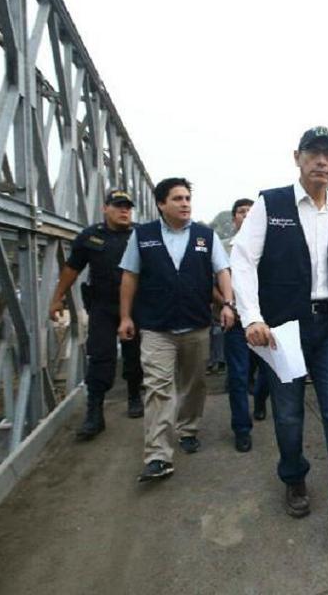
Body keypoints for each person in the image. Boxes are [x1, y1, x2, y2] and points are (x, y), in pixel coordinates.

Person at [231, 126, 328, 550]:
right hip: (284, 329)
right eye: (314, 153)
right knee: (289, 414)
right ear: (297, 157)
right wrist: (252, 316)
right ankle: (294, 476)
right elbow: (242, 259)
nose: (321, 161)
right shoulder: (272, 203)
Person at [118, 177, 235, 482]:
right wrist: (125, 317)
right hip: (157, 328)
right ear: (161, 204)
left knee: (193, 384)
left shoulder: (205, 236)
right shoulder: (142, 236)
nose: (185, 204)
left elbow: (222, 271)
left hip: (196, 326)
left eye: (187, 198)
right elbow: (129, 277)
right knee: (158, 388)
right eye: (177, 199)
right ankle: (158, 455)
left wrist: (228, 303)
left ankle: (188, 429)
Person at [49, 189, 144, 440]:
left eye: (127, 206)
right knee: (100, 356)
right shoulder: (90, 237)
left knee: (134, 355)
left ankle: (134, 396)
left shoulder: (140, 235)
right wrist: (57, 297)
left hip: (135, 306)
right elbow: (72, 269)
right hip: (102, 306)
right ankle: (94, 413)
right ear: (105, 208)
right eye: (118, 205)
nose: (125, 210)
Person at [222, 198, 269, 452]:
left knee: (268, 372)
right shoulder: (222, 248)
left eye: (251, 211)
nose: (247, 215)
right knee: (238, 377)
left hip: (266, 321)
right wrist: (229, 305)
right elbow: (215, 284)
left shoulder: (269, 247)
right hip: (238, 323)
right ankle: (242, 428)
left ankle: (260, 401)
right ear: (234, 219)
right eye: (241, 211)